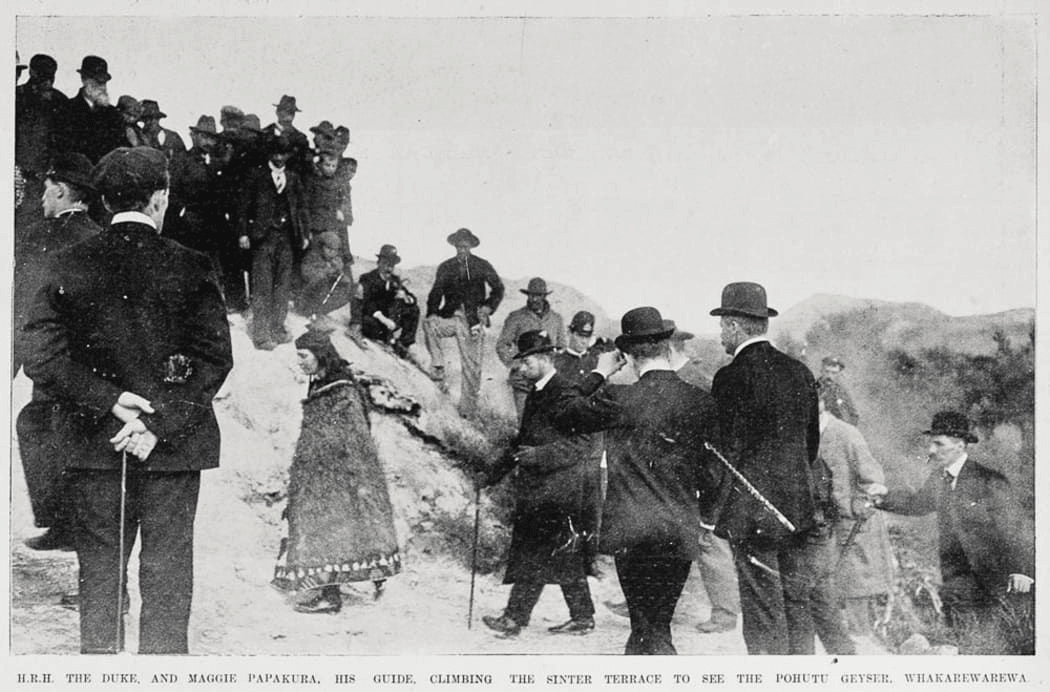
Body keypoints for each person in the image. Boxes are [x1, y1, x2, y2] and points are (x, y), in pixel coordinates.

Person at [22, 146, 233, 654]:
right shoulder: (193, 264)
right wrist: (157, 423)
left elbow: (39, 356)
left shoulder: (67, 262)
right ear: (160, 198)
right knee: (167, 573)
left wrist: (111, 401)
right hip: (172, 450)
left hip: (95, 446)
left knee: (99, 572)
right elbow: (214, 359)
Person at [551, 307, 718, 655]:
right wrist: (706, 515)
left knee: (648, 628)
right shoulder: (700, 400)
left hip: (633, 531)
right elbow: (711, 468)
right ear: (666, 347)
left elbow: (562, 413)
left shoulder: (619, 398)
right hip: (680, 527)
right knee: (654, 626)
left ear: (627, 355)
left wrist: (599, 372)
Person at [706, 281, 824, 655]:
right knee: (795, 600)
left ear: (735, 326)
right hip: (799, 509)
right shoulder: (800, 371)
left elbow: (725, 454)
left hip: (752, 512)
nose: (721, 332)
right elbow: (811, 445)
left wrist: (711, 510)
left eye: (723, 324)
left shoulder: (730, 378)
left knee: (761, 606)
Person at [872, 410, 1034, 651]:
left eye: (939, 444)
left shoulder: (989, 480)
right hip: (955, 580)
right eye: (931, 444)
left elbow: (1016, 529)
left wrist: (1021, 571)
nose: (931, 451)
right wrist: (883, 497)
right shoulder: (939, 478)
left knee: (994, 644)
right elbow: (917, 503)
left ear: (959, 445)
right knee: (962, 642)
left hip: (992, 581)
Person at [272, 330, 402, 613]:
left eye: (304, 356)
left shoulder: (342, 390)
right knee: (335, 530)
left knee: (331, 530)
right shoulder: (322, 383)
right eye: (298, 356)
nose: (300, 362)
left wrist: (328, 461)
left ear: (320, 355)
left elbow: (354, 434)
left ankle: (331, 598)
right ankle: (344, 587)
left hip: (339, 474)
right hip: (320, 472)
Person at [481, 330, 598, 636]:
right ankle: (582, 617)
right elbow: (524, 442)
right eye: (519, 361)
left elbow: (583, 444)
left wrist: (539, 456)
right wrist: (494, 474)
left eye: (527, 360)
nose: (521, 367)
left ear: (546, 358)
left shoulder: (565, 392)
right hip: (543, 488)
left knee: (537, 552)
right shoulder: (537, 392)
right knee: (559, 555)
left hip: (561, 488)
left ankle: (514, 619)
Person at [15, 153, 101, 554]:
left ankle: (62, 523)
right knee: (68, 435)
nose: (41, 196)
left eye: (46, 188)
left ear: (61, 189)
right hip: (87, 362)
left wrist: (17, 356)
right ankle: (70, 525)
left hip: (50, 357)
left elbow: (26, 303)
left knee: (40, 426)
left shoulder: (39, 236)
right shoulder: (98, 235)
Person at [815, 387, 895, 639]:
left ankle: (861, 638)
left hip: (852, 521)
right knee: (825, 575)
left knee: (855, 579)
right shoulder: (803, 432)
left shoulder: (847, 434)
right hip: (822, 519)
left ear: (822, 404)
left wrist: (858, 505)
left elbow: (873, 479)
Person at [237, 134, 309, 350]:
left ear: (288, 155)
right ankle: (260, 335)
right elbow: (242, 207)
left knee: (282, 286)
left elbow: (302, 208)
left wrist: (305, 234)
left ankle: (277, 328)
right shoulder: (255, 175)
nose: (279, 157)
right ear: (269, 154)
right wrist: (243, 233)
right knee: (262, 285)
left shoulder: (293, 178)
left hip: (287, 239)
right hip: (263, 238)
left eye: (283, 153)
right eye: (275, 153)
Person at [423, 227, 504, 417]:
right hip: (451, 316)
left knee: (471, 367)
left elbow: (498, 289)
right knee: (429, 324)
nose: (461, 250)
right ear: (454, 246)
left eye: (465, 246)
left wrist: (487, 308)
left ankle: (467, 412)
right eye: (458, 246)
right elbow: (436, 292)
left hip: (472, 321)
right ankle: (438, 367)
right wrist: (433, 313)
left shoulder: (482, 265)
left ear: (471, 246)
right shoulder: (445, 267)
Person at [496, 278, 566, 419]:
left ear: (544, 296)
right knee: (525, 421)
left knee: (547, 422)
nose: (534, 299)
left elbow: (562, 347)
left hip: (547, 381)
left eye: (538, 295)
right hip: (523, 381)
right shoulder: (516, 318)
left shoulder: (556, 319)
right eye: (531, 295)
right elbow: (502, 345)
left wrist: (553, 366)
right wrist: (516, 365)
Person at [350, 244, 420, 357]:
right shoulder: (368, 278)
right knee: (370, 324)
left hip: (389, 322)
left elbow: (413, 299)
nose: (388, 268)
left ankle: (404, 344)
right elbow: (367, 303)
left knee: (413, 309)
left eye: (391, 265)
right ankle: (385, 339)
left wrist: (405, 297)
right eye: (385, 264)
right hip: (374, 319)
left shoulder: (395, 280)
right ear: (379, 263)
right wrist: (383, 319)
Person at [53, 55, 124, 164]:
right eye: (98, 82)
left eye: (104, 83)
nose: (103, 87)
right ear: (84, 79)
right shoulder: (66, 110)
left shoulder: (113, 115)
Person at [304, 149, 354, 264]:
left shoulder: (338, 184)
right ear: (320, 164)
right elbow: (306, 206)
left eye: (333, 166)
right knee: (314, 257)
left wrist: (340, 210)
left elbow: (341, 202)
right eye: (327, 165)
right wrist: (307, 230)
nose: (330, 168)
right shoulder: (312, 181)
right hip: (315, 226)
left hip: (330, 226)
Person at [295, 231, 354, 320]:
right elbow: (308, 275)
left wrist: (339, 271)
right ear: (321, 247)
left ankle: (321, 311)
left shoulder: (336, 261)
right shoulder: (312, 257)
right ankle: (311, 312)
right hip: (304, 300)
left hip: (322, 300)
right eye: (328, 248)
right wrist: (328, 270)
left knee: (350, 288)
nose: (331, 252)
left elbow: (344, 280)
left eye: (335, 250)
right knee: (321, 280)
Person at [263, 94, 311, 175]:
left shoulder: (301, 138)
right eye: (285, 110)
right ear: (277, 112)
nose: (288, 115)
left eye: (291, 112)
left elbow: (305, 166)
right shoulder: (265, 133)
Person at [818, 356, 859, 425]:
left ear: (839, 374)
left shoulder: (842, 392)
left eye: (834, 373)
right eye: (827, 371)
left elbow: (854, 415)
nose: (829, 376)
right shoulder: (811, 388)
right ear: (821, 371)